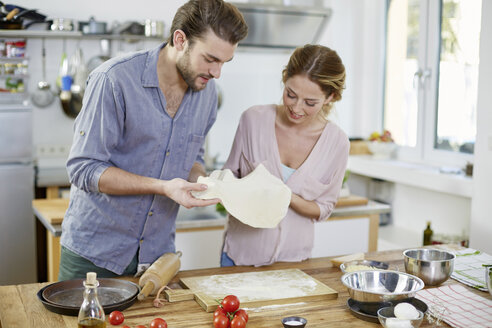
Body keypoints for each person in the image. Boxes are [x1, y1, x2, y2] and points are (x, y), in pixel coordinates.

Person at [58, 0, 248, 280]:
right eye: (211, 59)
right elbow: (83, 169)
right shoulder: (114, 80)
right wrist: (163, 187)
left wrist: (202, 182)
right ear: (180, 40)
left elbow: (192, 157)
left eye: (224, 62)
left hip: (156, 260)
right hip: (94, 255)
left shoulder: (207, 94)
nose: (217, 72)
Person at [221, 44, 349, 267]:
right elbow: (228, 177)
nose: (296, 108)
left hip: (294, 262)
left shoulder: (337, 143)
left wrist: (284, 194)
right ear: (284, 79)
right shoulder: (253, 120)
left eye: (310, 103)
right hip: (239, 256)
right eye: (291, 94)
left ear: (331, 96)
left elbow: (324, 208)